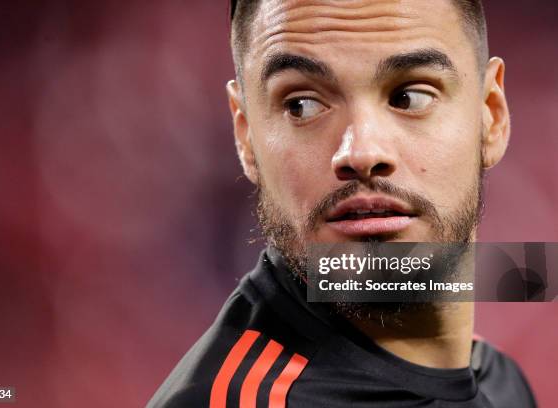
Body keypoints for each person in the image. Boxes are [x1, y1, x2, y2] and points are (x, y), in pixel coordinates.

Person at [149, 0, 536, 406]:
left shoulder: (500, 379)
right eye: (302, 105)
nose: (362, 152)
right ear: (245, 138)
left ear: (491, 115)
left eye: (409, 97)